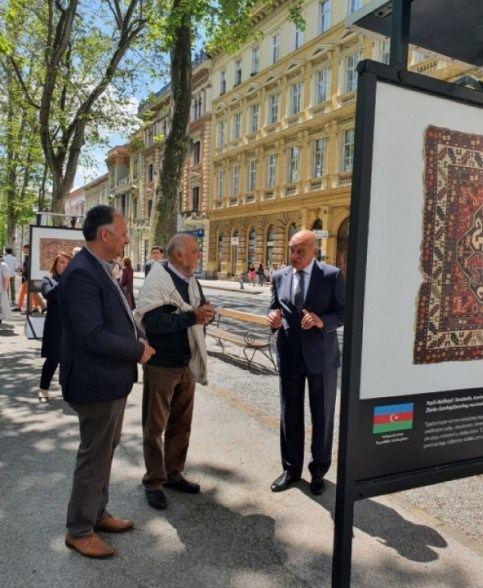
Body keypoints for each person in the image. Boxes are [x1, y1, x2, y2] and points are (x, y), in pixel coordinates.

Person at [58, 205, 155, 559]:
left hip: (108, 382)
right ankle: (79, 530)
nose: (127, 238)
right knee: (94, 456)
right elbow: (91, 336)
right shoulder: (83, 273)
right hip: (95, 382)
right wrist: (136, 349)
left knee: (103, 452)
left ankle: (96, 513)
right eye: (123, 232)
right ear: (105, 235)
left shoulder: (97, 268)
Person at [135, 234, 214, 511]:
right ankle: (154, 482)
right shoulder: (157, 281)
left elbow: (199, 308)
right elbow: (153, 322)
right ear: (179, 254)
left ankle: (173, 473)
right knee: (155, 427)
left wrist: (207, 313)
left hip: (186, 363)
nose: (198, 255)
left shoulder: (191, 279)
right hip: (162, 365)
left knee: (181, 422)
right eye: (195, 251)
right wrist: (194, 316)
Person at [267, 230, 345, 495]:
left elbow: (343, 312)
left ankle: (318, 472)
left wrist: (323, 321)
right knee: (290, 414)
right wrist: (273, 318)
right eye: (292, 249)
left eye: (300, 250)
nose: (294, 256)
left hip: (322, 358)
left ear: (314, 250)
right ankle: (291, 469)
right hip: (289, 355)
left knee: (322, 416)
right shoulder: (279, 276)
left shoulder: (331, 275)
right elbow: (274, 306)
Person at [38, 252, 71, 403]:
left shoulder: (74, 282)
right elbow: (49, 295)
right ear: (55, 265)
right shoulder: (48, 280)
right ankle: (43, 389)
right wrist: (65, 280)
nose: (64, 265)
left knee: (71, 360)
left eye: (67, 263)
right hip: (55, 326)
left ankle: (69, 391)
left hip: (72, 327)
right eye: (61, 262)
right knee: (53, 358)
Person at [13, 244, 45, 313]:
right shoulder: (27, 257)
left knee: (31, 293)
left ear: (28, 249)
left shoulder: (30, 257)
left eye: (24, 249)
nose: (23, 250)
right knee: (32, 292)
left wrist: (23, 272)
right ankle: (41, 307)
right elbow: (27, 267)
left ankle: (30, 309)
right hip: (27, 277)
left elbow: (28, 268)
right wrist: (22, 271)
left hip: (29, 277)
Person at [0, 255, 11, 324]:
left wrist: (4, 289)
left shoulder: (3, 265)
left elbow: (6, 277)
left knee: (1, 304)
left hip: (0, 288)